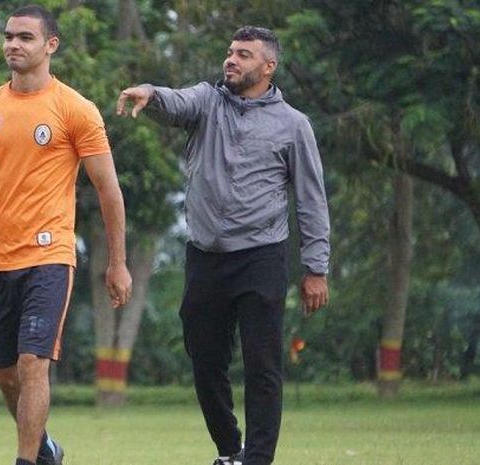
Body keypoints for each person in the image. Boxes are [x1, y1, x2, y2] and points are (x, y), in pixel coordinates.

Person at [117, 26, 330, 465]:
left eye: (244, 55)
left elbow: (311, 200)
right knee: (205, 360)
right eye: (230, 52)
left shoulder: (293, 125)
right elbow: (178, 101)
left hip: (262, 257)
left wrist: (316, 268)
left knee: (263, 367)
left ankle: (256, 459)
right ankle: (230, 449)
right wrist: (150, 94)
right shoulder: (207, 102)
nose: (231, 60)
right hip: (206, 258)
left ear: (268, 67)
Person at [0, 5, 132, 465]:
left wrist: (118, 262)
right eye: (9, 36)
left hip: (50, 256)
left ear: (51, 45)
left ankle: (26, 462)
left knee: (33, 365)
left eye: (25, 38)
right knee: (6, 376)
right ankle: (45, 448)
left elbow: (108, 191)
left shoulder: (76, 109)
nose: (13, 44)